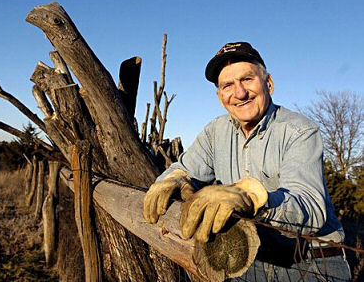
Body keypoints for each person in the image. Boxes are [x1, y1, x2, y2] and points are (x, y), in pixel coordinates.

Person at [143, 42, 351, 281]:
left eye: (247, 80)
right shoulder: (215, 132)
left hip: (312, 263)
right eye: (228, 85)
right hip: (248, 262)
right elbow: (183, 169)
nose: (239, 93)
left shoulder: (299, 130)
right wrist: (175, 179)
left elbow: (312, 210)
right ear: (220, 96)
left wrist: (252, 199)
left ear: (268, 83)